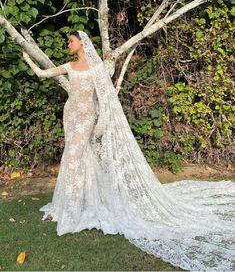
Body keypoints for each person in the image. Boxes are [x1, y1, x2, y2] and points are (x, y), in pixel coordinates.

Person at [23, 30, 235, 271]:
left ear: (82, 43)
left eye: (71, 41)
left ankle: (75, 204)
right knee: (77, 157)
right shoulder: (69, 66)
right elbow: (42, 73)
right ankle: (79, 199)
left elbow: (105, 97)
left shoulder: (97, 68)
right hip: (70, 115)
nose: (68, 44)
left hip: (87, 117)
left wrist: (102, 119)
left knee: (72, 158)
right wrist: (28, 59)